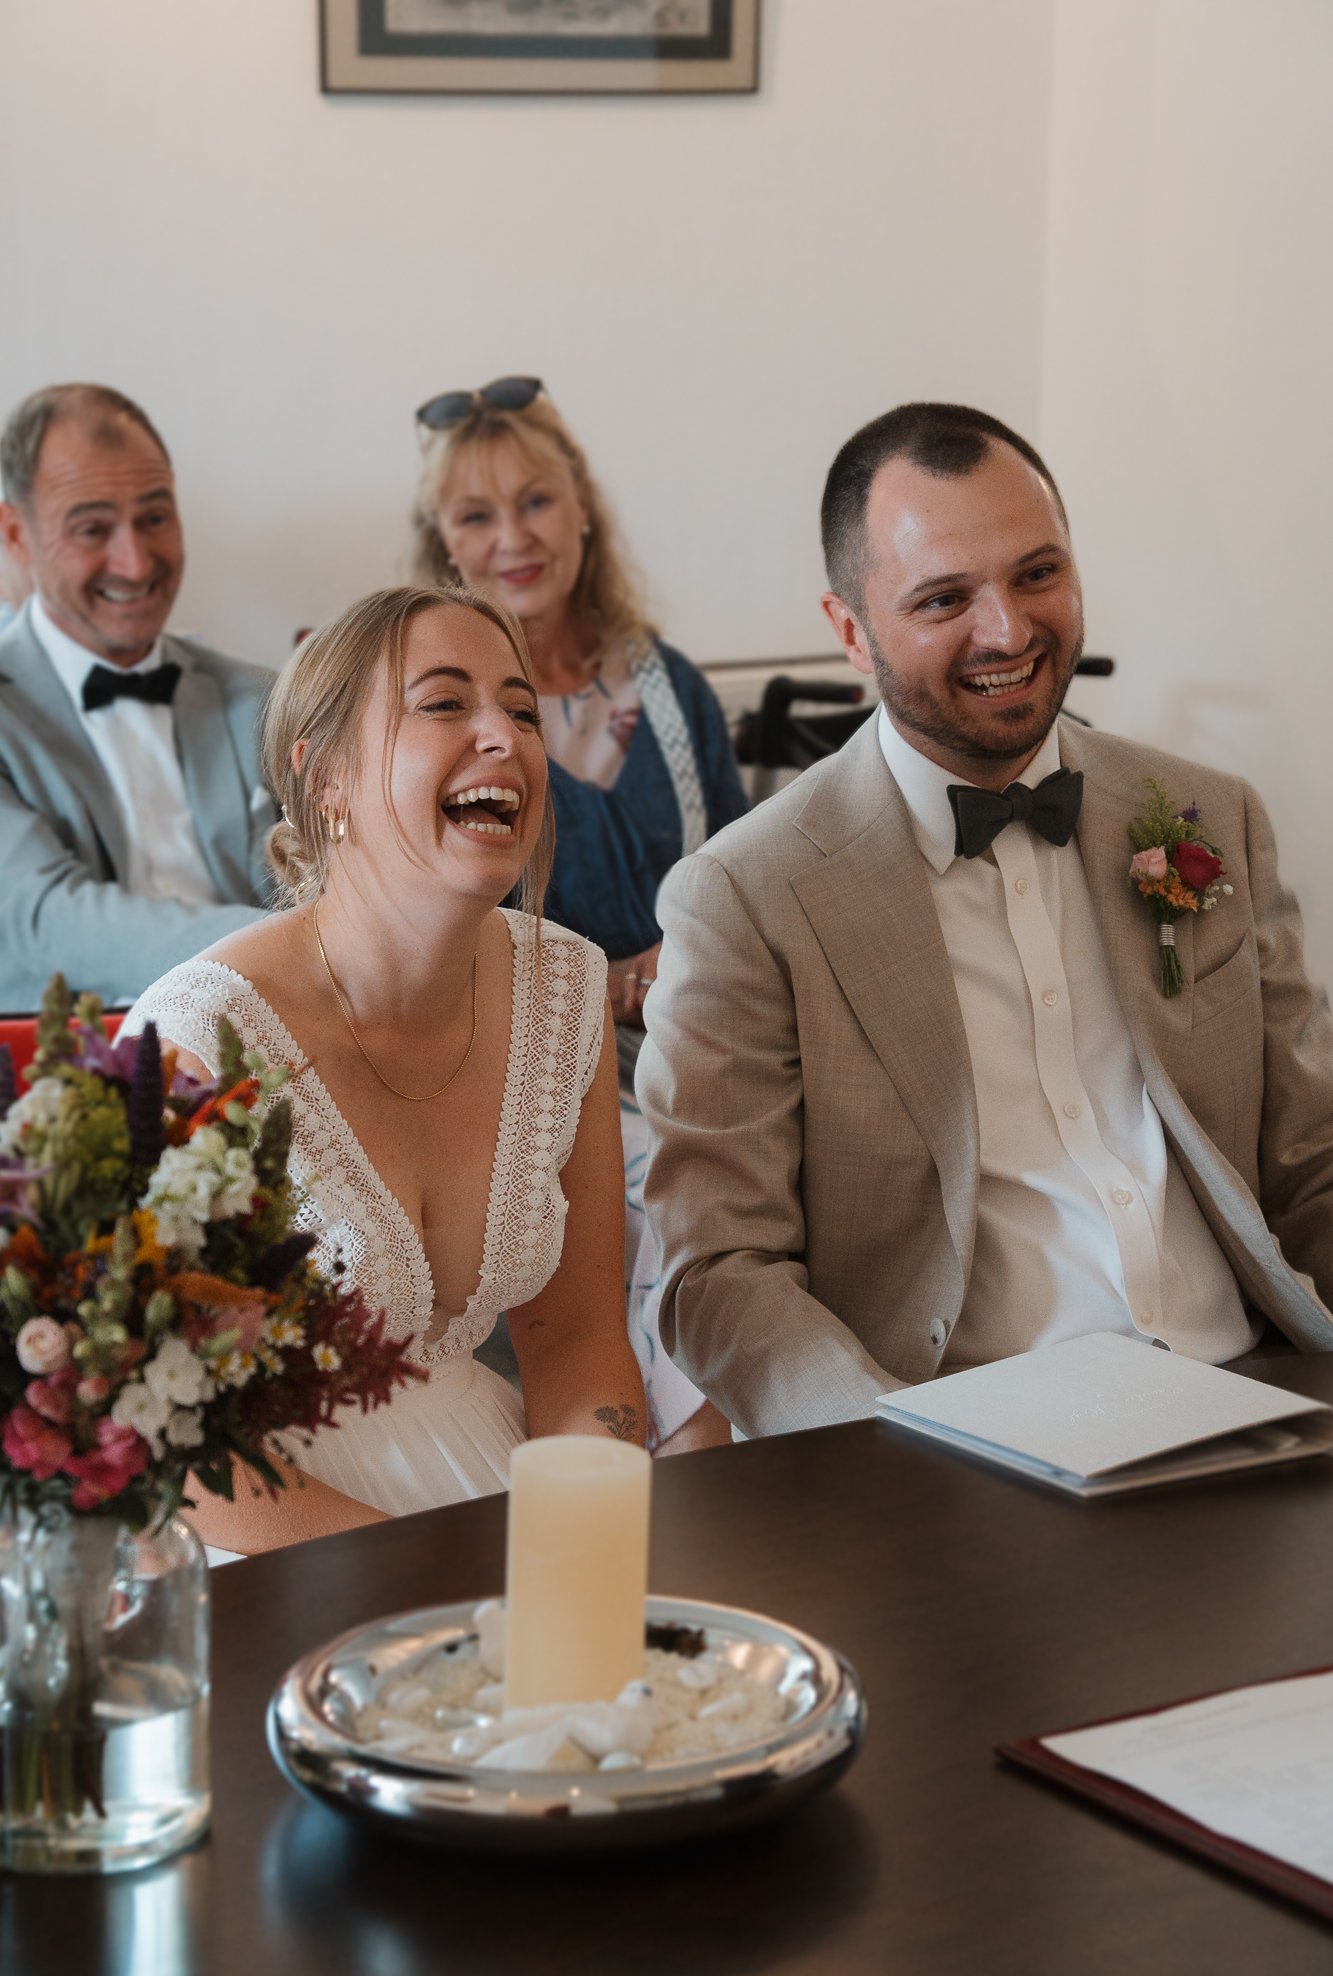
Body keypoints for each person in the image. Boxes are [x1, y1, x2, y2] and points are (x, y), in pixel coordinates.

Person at [637, 402, 1333, 1437]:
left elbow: (1310, 1162)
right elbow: (718, 1274)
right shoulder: (746, 894)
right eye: (944, 597)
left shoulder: (1206, 817)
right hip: (960, 1451)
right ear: (847, 629)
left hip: (1263, 1400)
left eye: (1036, 573)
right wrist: (895, 1456)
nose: (1006, 629)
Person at [122, 583, 647, 1554]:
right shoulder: (200, 1038)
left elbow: (576, 1344)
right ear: (324, 776)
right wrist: (410, 1577)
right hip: (260, 1536)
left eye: (522, 710)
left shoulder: (563, 986)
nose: (504, 736)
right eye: (445, 703)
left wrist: (587, 1531)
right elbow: (163, 1428)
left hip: (480, 1483)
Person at [413, 376, 744, 1450]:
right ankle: (699, 1468)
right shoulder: (425, 712)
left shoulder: (671, 687)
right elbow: (412, 929)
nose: (514, 536)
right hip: (528, 1063)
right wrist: (590, 984)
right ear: (440, 542)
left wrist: (690, 963)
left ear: (584, 508)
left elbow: (746, 880)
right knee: (673, 1194)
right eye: (476, 514)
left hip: (704, 1039)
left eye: (538, 500)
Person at [0, 383, 275, 1013]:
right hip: (59, 1080)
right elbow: (47, 919)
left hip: (269, 1053)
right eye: (93, 529)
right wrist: (308, 945)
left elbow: (326, 875)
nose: (135, 561)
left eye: (155, 518)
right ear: (16, 535)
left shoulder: (264, 696)